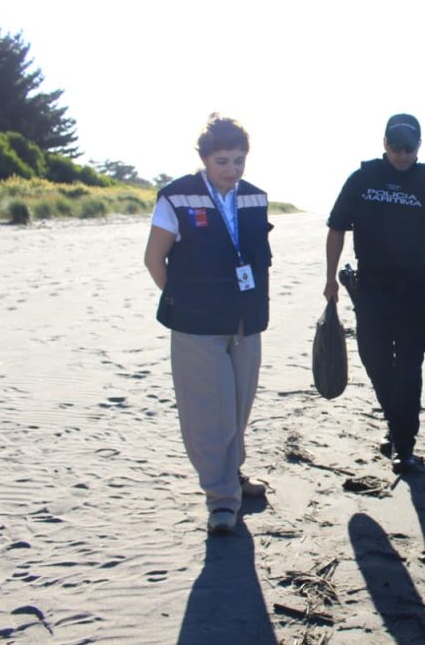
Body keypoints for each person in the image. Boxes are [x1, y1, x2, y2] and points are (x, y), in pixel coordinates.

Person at [143, 114, 272, 534]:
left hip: (245, 322)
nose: (232, 170)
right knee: (209, 413)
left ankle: (232, 477)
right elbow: (154, 259)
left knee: (237, 408)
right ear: (204, 159)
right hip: (197, 325)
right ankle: (220, 500)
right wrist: (183, 302)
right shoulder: (176, 197)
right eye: (223, 162)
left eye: (238, 161)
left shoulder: (255, 198)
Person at [324, 113, 425, 474]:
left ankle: (404, 444)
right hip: (370, 286)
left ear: (419, 147)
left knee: (408, 365)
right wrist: (329, 279)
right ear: (384, 144)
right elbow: (337, 228)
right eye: (396, 147)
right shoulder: (363, 179)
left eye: (410, 148)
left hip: (412, 289)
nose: (402, 155)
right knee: (373, 359)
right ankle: (396, 422)